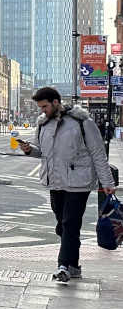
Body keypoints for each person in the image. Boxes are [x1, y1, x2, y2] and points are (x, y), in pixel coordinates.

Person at [19, 87, 115, 283]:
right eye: (40, 107)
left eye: (44, 106)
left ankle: (63, 266)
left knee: (70, 223)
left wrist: (107, 182)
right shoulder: (43, 124)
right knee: (63, 226)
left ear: (56, 102)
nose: (42, 111)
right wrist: (30, 150)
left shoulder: (82, 122)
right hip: (55, 181)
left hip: (78, 182)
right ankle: (74, 266)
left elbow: (98, 152)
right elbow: (42, 151)